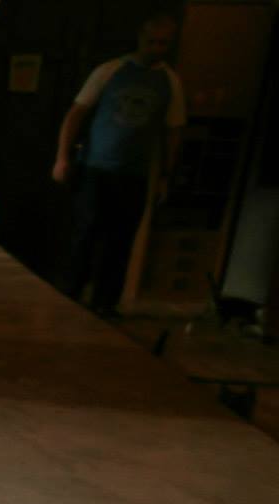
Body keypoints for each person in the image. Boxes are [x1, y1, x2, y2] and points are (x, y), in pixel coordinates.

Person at [52, 11, 186, 316]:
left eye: (163, 43)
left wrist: (165, 175)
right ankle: (70, 292)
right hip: (96, 167)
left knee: (121, 239)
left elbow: (174, 130)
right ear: (140, 38)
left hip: (135, 173)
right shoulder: (111, 70)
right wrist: (63, 157)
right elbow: (76, 113)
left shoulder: (169, 81)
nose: (156, 48)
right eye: (151, 41)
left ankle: (105, 302)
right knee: (86, 232)